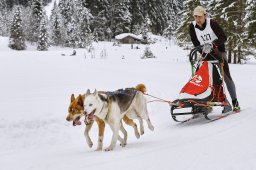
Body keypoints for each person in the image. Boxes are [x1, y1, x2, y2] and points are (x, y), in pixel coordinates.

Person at [189, 6, 240, 112]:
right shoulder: (192, 26)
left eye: (200, 16)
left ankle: (235, 102)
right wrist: (203, 52)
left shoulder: (212, 23)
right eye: (195, 16)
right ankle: (206, 103)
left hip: (219, 52)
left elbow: (223, 37)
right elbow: (196, 43)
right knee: (202, 77)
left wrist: (213, 45)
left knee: (225, 77)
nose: (198, 19)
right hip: (205, 53)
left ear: (205, 15)